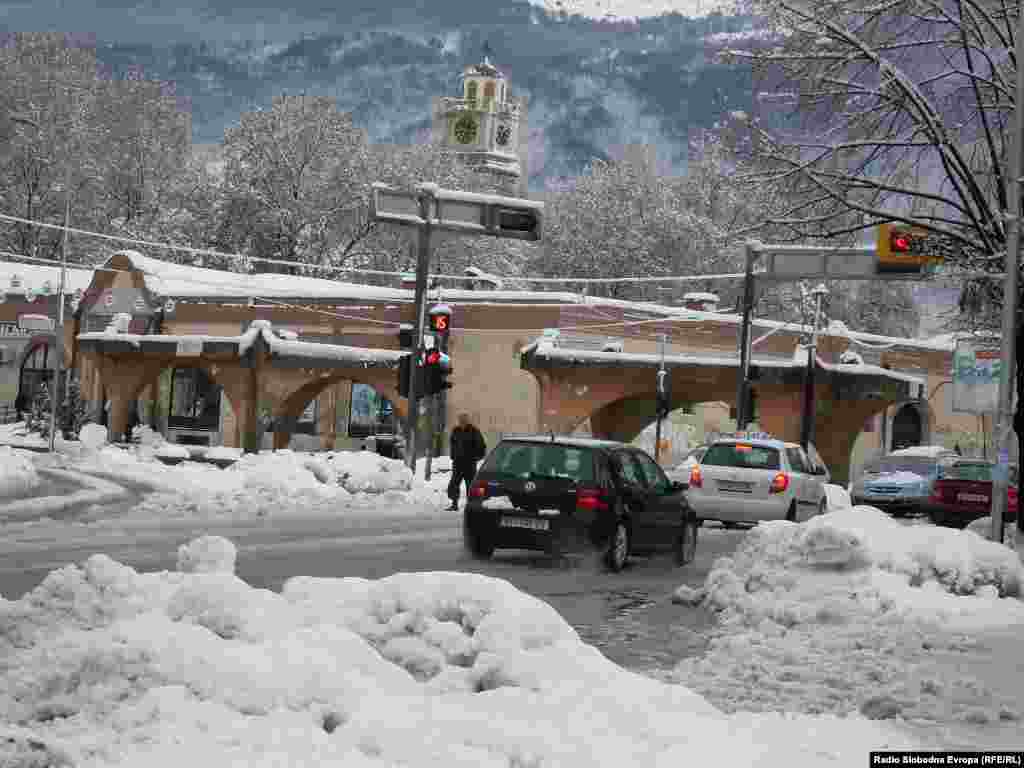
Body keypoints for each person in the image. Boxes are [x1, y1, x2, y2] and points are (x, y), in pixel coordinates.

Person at [448, 413, 487, 511]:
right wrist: (453, 456)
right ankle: (454, 503)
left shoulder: (474, 431)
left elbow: (482, 446)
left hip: (470, 464)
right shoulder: (455, 431)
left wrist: (476, 458)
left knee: (471, 485)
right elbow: (452, 444)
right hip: (458, 463)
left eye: (464, 420)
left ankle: (473, 505)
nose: (462, 422)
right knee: (454, 484)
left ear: (468, 421)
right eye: (460, 420)